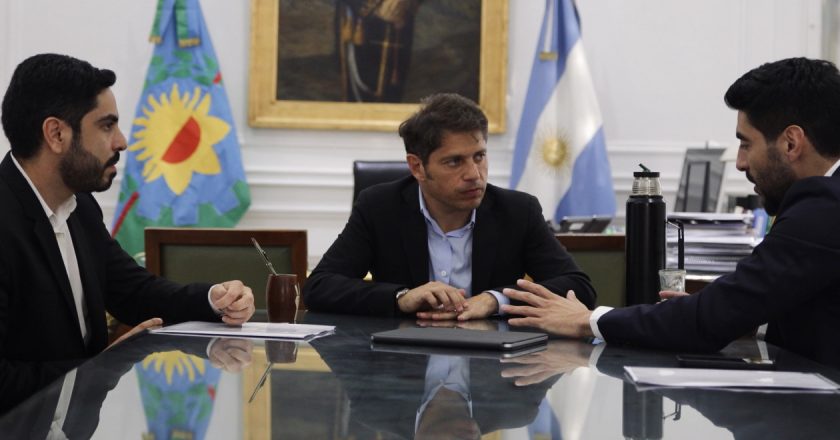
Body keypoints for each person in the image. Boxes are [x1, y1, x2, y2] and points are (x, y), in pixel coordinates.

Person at [501, 57, 840, 368]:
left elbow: (708, 321)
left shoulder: (825, 208)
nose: (739, 162)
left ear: (791, 143)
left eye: (745, 143)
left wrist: (584, 320)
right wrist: (725, 314)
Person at [0, 53, 256, 407]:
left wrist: (215, 299)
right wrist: (99, 366)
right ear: (56, 134)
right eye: (107, 126)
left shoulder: (80, 207)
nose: (122, 142)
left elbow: (135, 292)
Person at [303, 92, 595, 319]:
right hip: (403, 368)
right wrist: (401, 297)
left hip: (491, 372)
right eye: (454, 161)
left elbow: (578, 288)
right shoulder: (380, 207)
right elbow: (319, 288)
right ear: (417, 167)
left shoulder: (518, 211)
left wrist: (495, 299)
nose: (473, 174)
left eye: (479, 156)